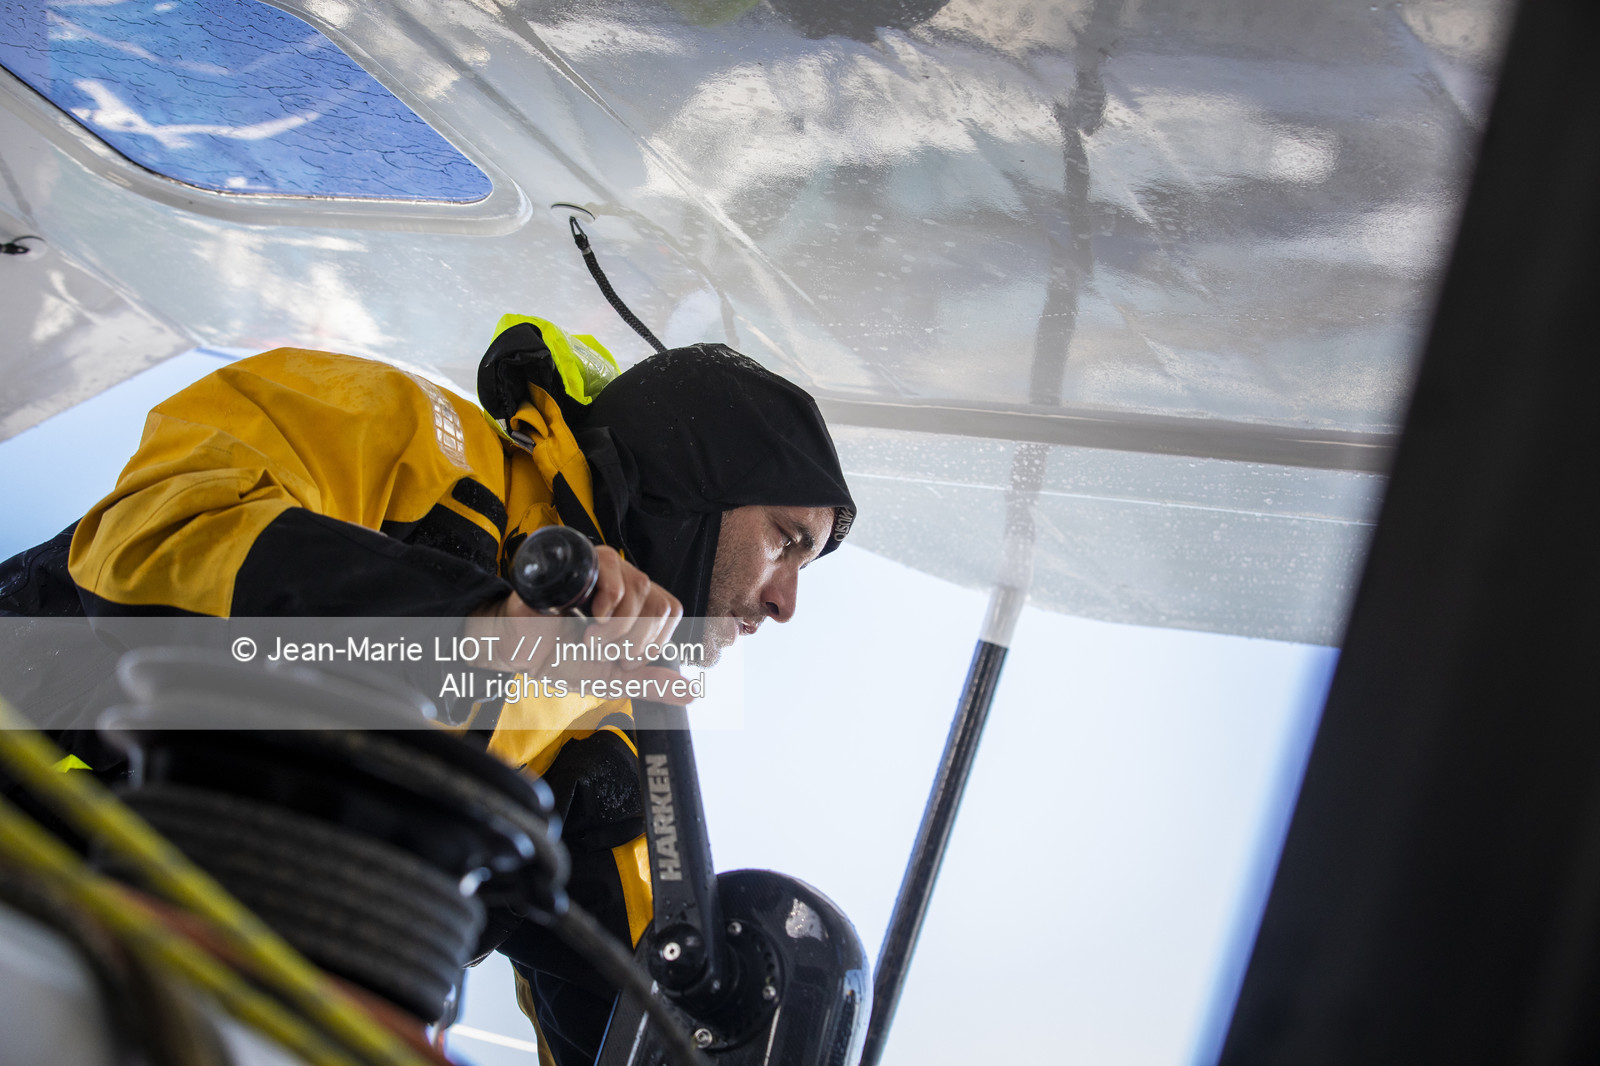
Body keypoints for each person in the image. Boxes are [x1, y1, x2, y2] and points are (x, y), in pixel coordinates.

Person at [0, 313, 856, 1064]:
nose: (784, 603)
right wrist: (478, 620)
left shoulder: (606, 745)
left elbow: (635, 1002)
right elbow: (152, 539)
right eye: (788, 541)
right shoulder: (401, 426)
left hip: (236, 1012)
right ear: (698, 478)